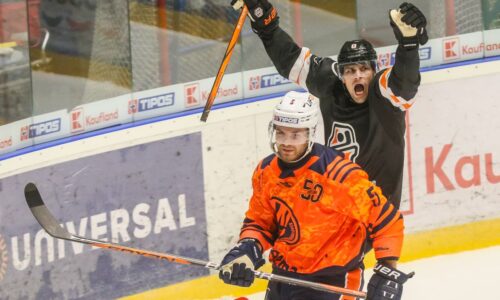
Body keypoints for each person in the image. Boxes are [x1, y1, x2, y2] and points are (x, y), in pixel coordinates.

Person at [232, 0, 428, 209]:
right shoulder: (329, 83)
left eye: (364, 69)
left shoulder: (383, 95)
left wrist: (408, 46)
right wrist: (267, 24)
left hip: (377, 218)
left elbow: (404, 86)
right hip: (335, 213)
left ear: (374, 71)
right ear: (341, 76)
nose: (358, 75)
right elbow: (290, 60)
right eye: (350, 71)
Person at [218, 91, 413, 300]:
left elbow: (388, 221)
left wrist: (387, 271)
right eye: (281, 133)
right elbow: (261, 223)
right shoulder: (266, 171)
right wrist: (247, 247)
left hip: (332, 282)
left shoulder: (338, 176)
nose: (286, 142)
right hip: (283, 277)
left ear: (310, 133)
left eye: (296, 135)